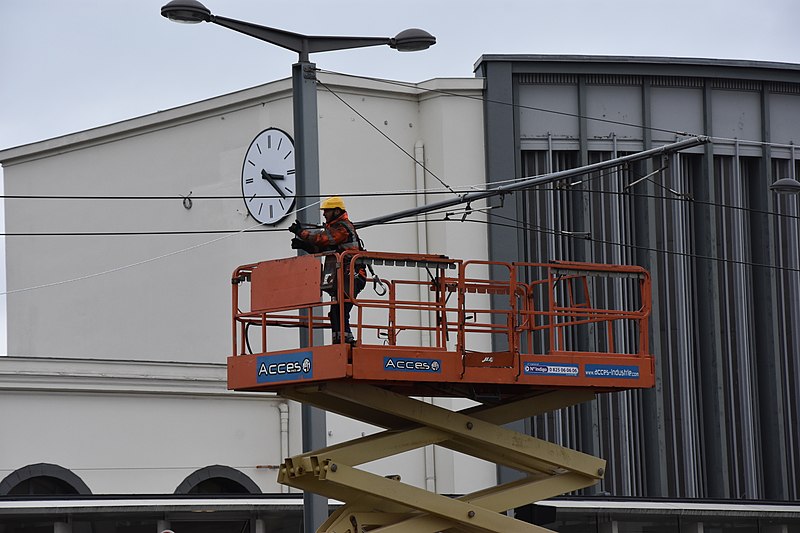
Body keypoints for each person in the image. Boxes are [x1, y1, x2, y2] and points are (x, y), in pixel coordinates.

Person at [288, 196, 366, 345]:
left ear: (336, 211)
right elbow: (324, 247)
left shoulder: (343, 228)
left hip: (353, 274)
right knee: (336, 312)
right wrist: (303, 245)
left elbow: (322, 239)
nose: (324, 214)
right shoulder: (335, 230)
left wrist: (301, 233)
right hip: (344, 275)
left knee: (342, 309)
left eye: (327, 211)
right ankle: (340, 341)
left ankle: (346, 341)